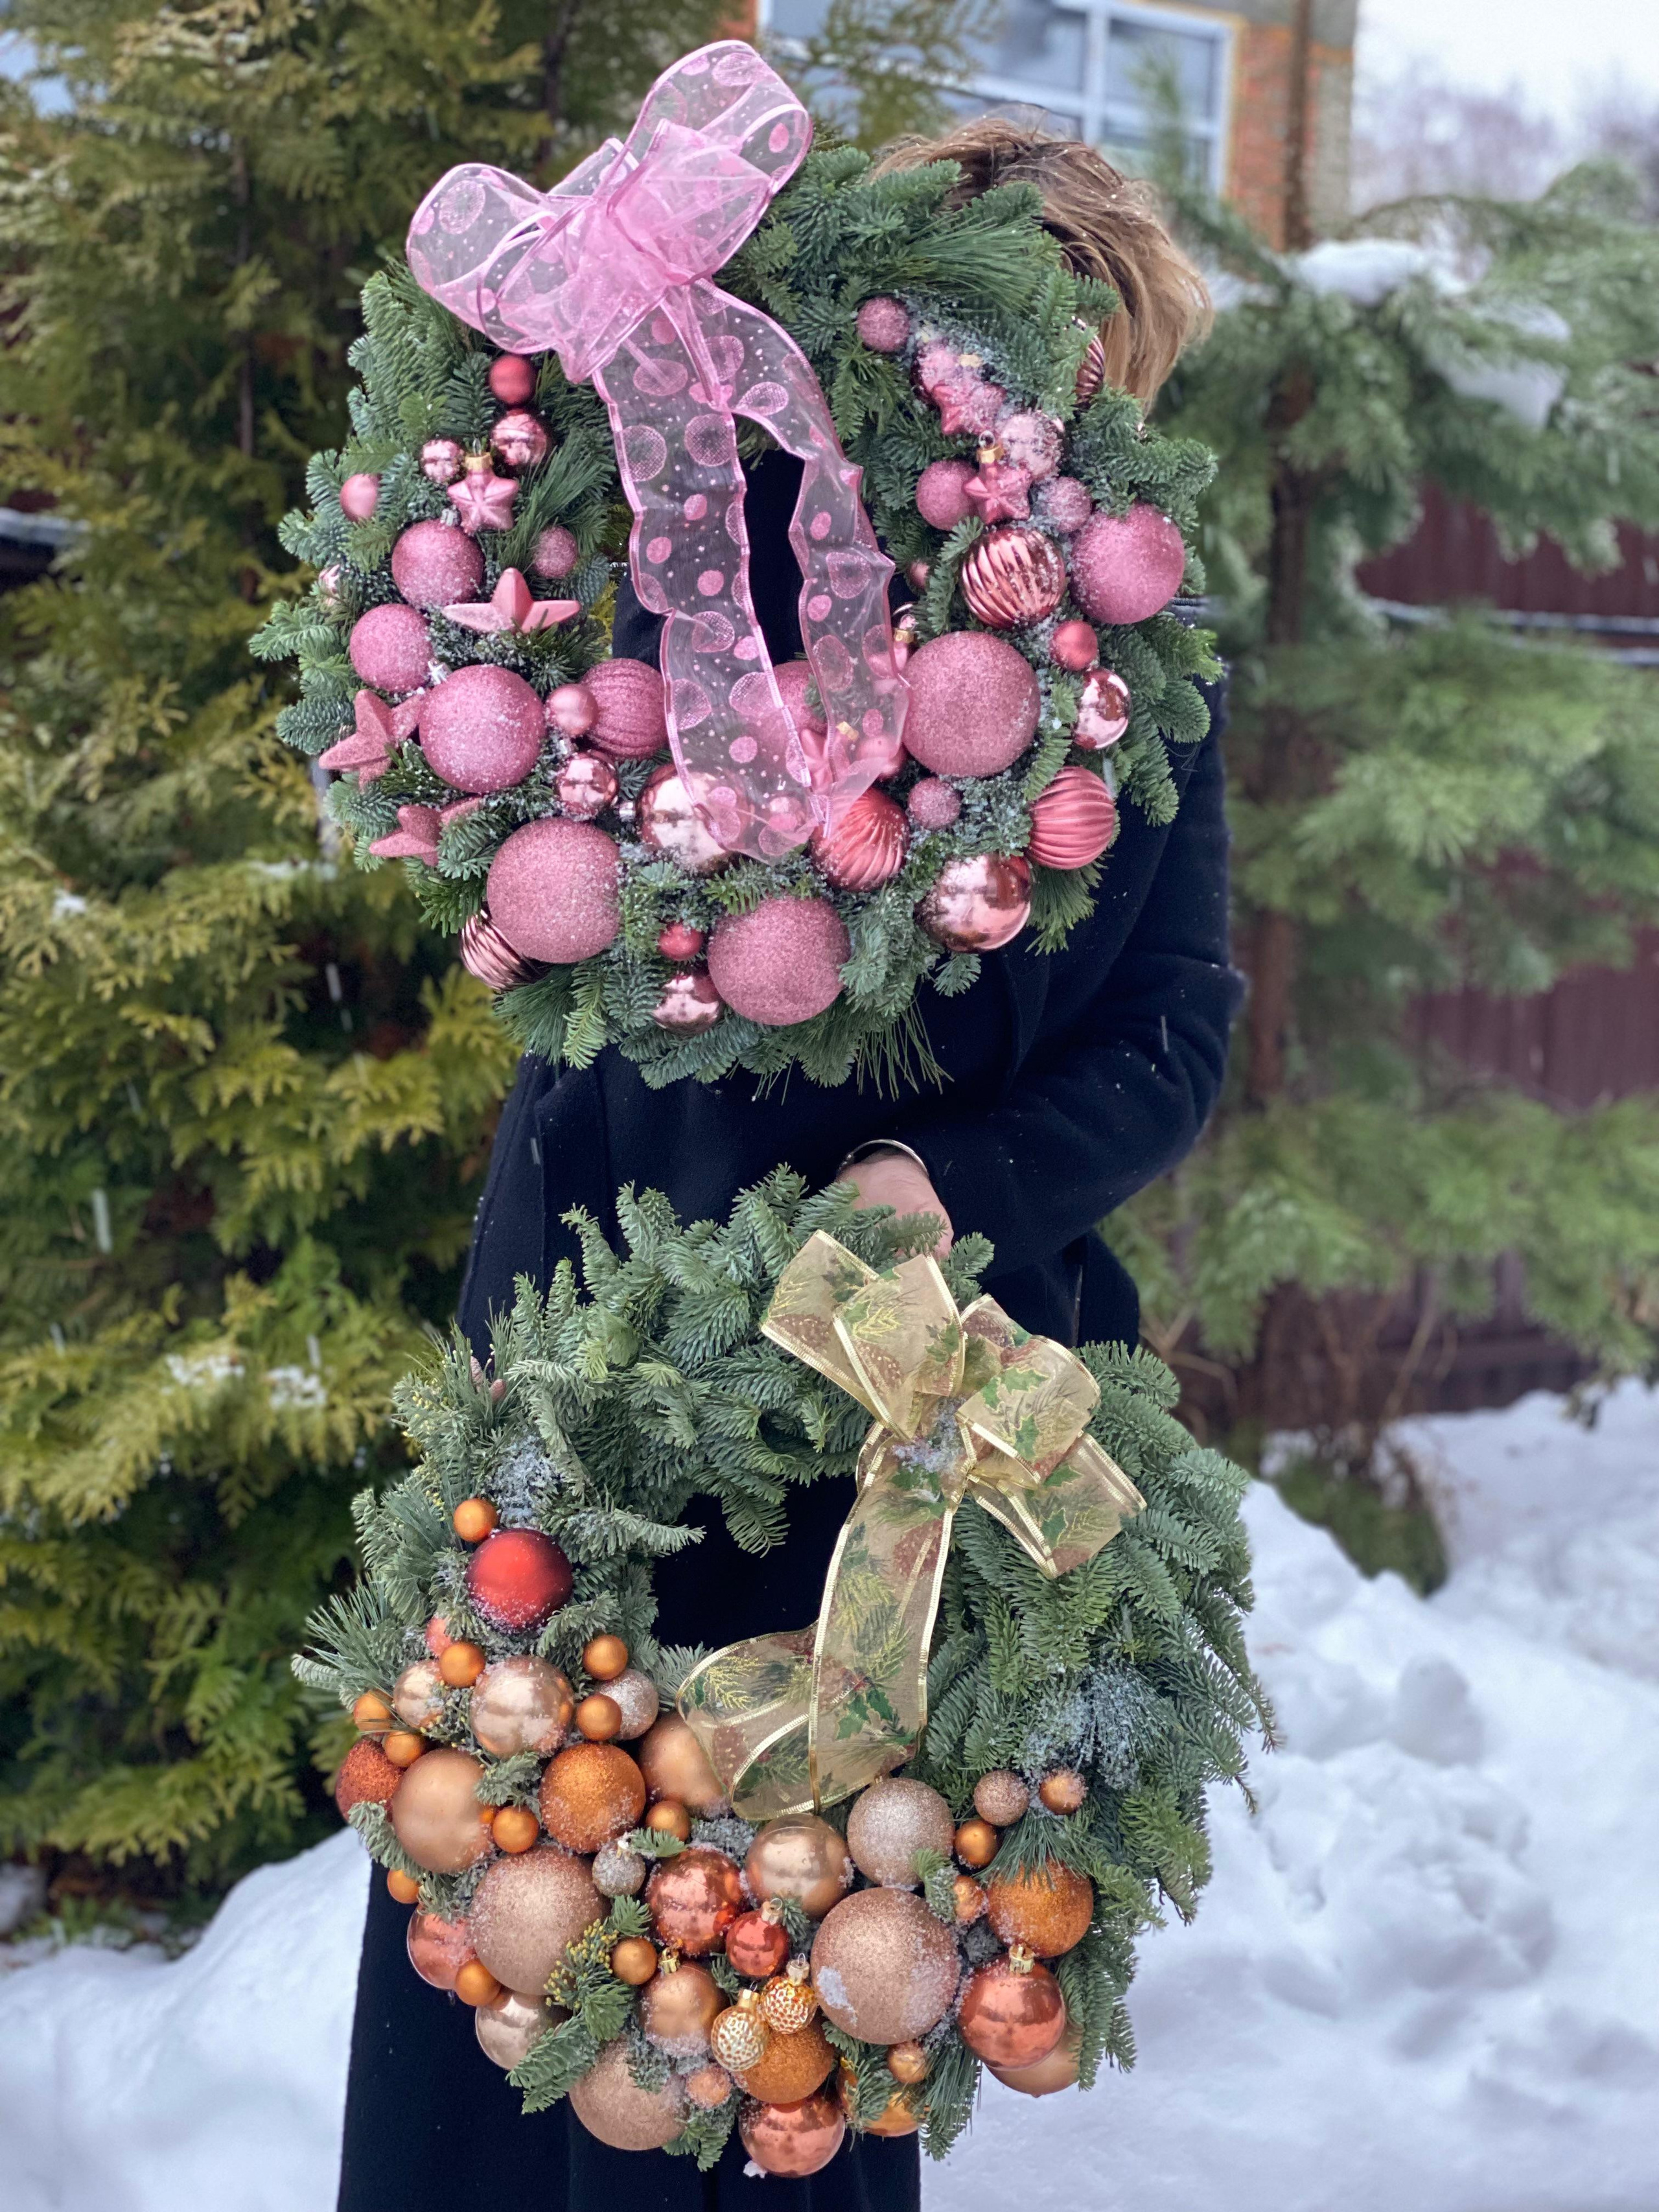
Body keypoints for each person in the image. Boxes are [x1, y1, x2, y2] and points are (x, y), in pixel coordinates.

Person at [336, 118, 1235, 2212]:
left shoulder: (1132, 662)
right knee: (511, 1903)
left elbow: (1178, 1032)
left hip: (897, 1420)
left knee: (791, 2001)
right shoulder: (700, 540)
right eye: (973, 352)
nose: (1011, 419)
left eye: (1074, 370)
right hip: (599, 1357)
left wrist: (951, 1182)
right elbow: (575, 921)